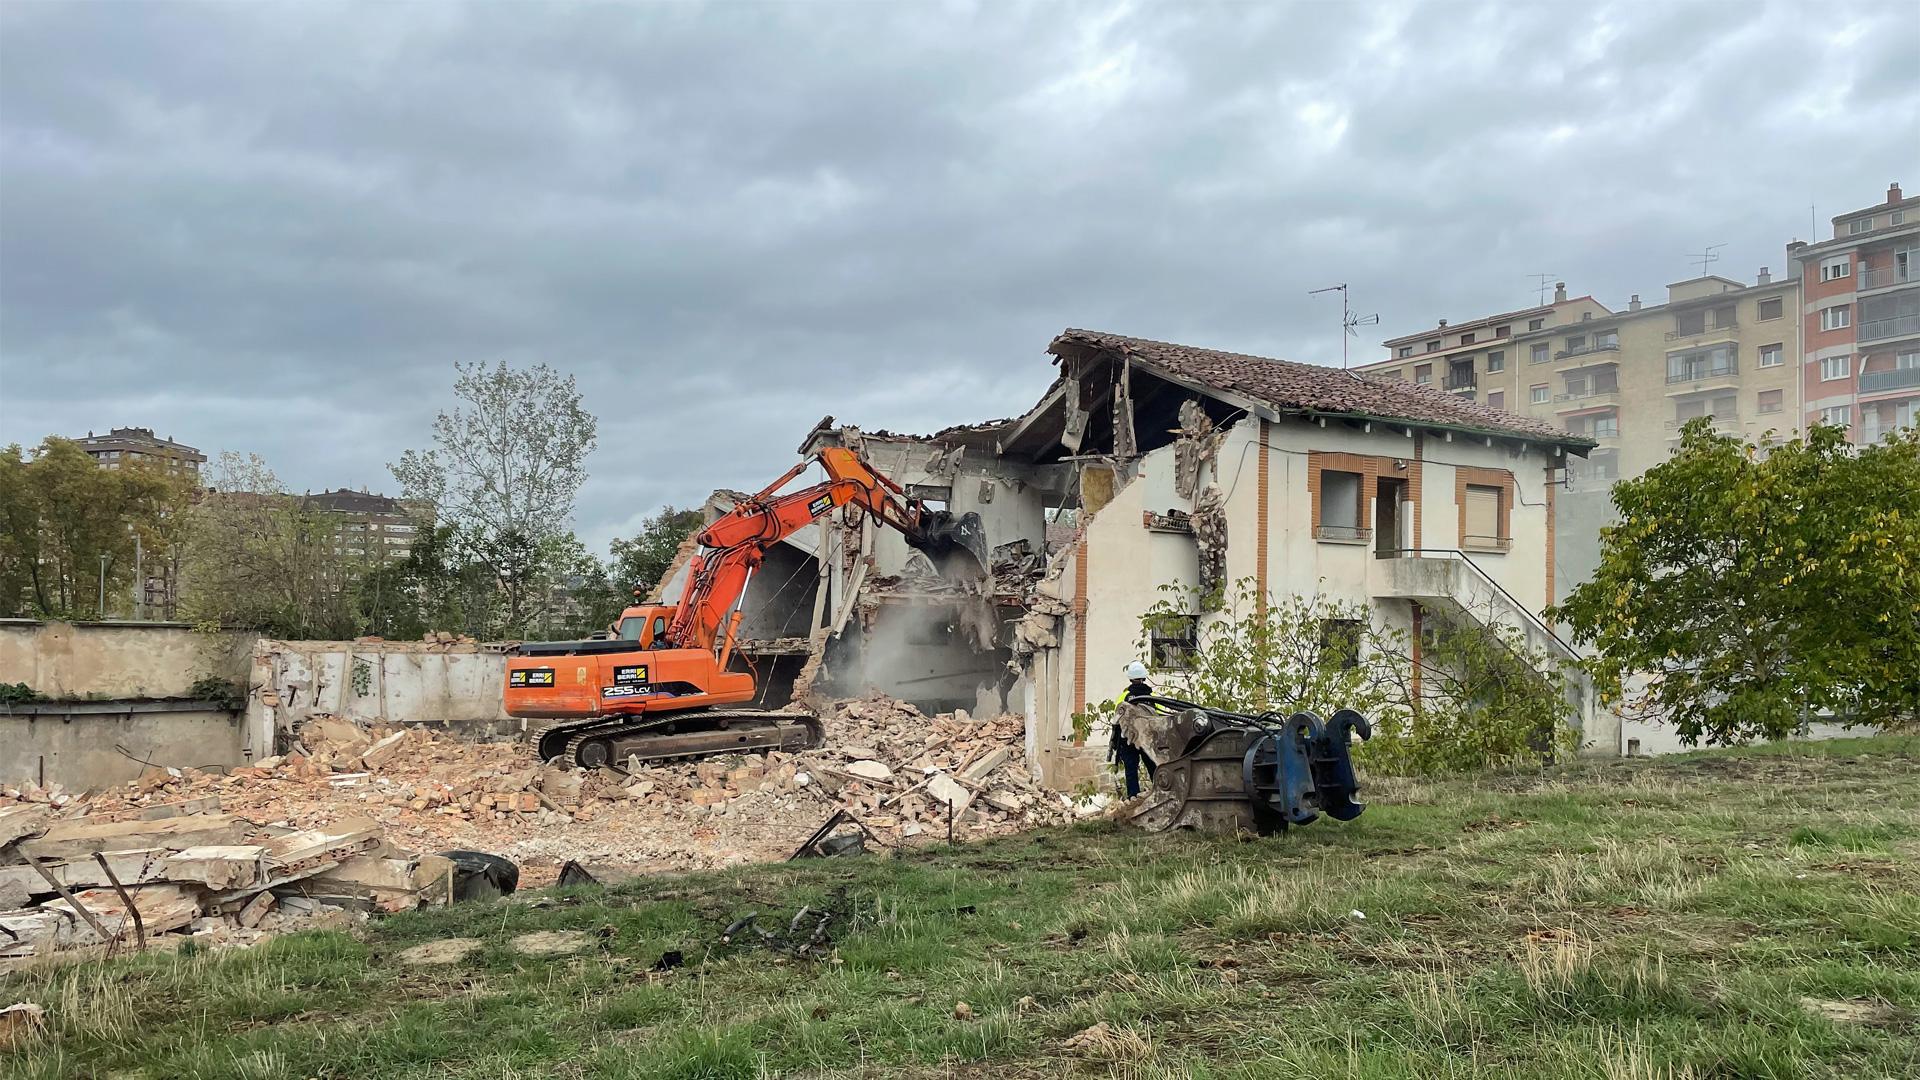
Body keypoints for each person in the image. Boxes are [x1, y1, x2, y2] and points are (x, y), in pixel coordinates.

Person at [1108, 661, 1159, 797]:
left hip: (1129, 740)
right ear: (1144, 677)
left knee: (1131, 770)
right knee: (1153, 768)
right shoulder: (1152, 697)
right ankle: (1159, 794)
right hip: (1147, 740)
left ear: (1130, 678)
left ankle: (1133, 798)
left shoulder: (1124, 697)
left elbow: (1117, 718)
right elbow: (1160, 718)